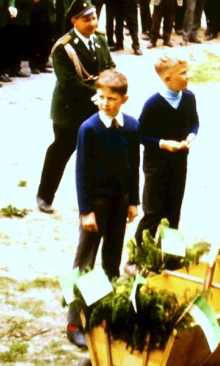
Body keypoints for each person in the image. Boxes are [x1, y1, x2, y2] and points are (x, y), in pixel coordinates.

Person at [67, 68, 140, 348]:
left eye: (111, 98)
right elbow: (81, 172)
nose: (105, 102)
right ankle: (75, 321)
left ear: (124, 99)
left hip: (119, 204)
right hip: (95, 206)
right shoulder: (89, 129)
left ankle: (106, 314)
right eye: (100, 97)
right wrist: (86, 211)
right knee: (85, 262)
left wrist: (133, 200)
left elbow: (134, 164)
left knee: (112, 261)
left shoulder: (132, 126)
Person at [36, 0, 115, 214]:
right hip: (70, 111)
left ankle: (97, 198)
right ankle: (45, 195)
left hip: (97, 106)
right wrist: (102, 94)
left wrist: (111, 90)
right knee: (61, 152)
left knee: (99, 153)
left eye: (94, 18)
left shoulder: (99, 39)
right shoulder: (63, 47)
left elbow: (109, 65)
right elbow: (70, 83)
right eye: (87, 19)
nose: (92, 23)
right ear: (74, 21)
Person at [133, 54, 199, 245]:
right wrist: (163, 143)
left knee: (174, 210)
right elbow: (139, 134)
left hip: (179, 161)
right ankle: (139, 254)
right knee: (153, 211)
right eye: (183, 73)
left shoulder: (188, 97)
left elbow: (194, 122)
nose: (188, 76)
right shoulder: (153, 104)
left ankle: (170, 254)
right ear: (167, 79)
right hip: (156, 165)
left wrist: (191, 136)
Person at [26, 0, 57, 74]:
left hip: (50, 12)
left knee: (47, 39)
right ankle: (34, 64)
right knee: (35, 39)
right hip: (37, 13)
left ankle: (43, 62)